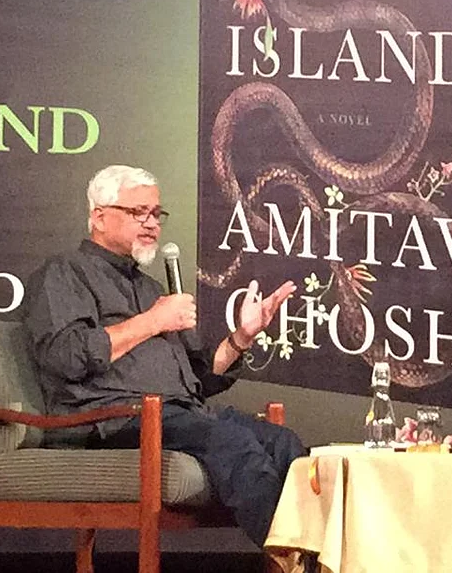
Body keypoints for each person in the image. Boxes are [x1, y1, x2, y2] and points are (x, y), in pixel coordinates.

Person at [22, 164, 304, 548]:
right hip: (113, 419)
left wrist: (241, 337)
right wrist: (152, 321)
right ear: (99, 216)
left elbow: (197, 380)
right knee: (232, 441)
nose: (152, 223)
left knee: (287, 446)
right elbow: (65, 356)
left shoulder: (153, 288)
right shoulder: (65, 273)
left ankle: (316, 556)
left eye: (156, 213)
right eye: (138, 212)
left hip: (177, 414)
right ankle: (291, 557)